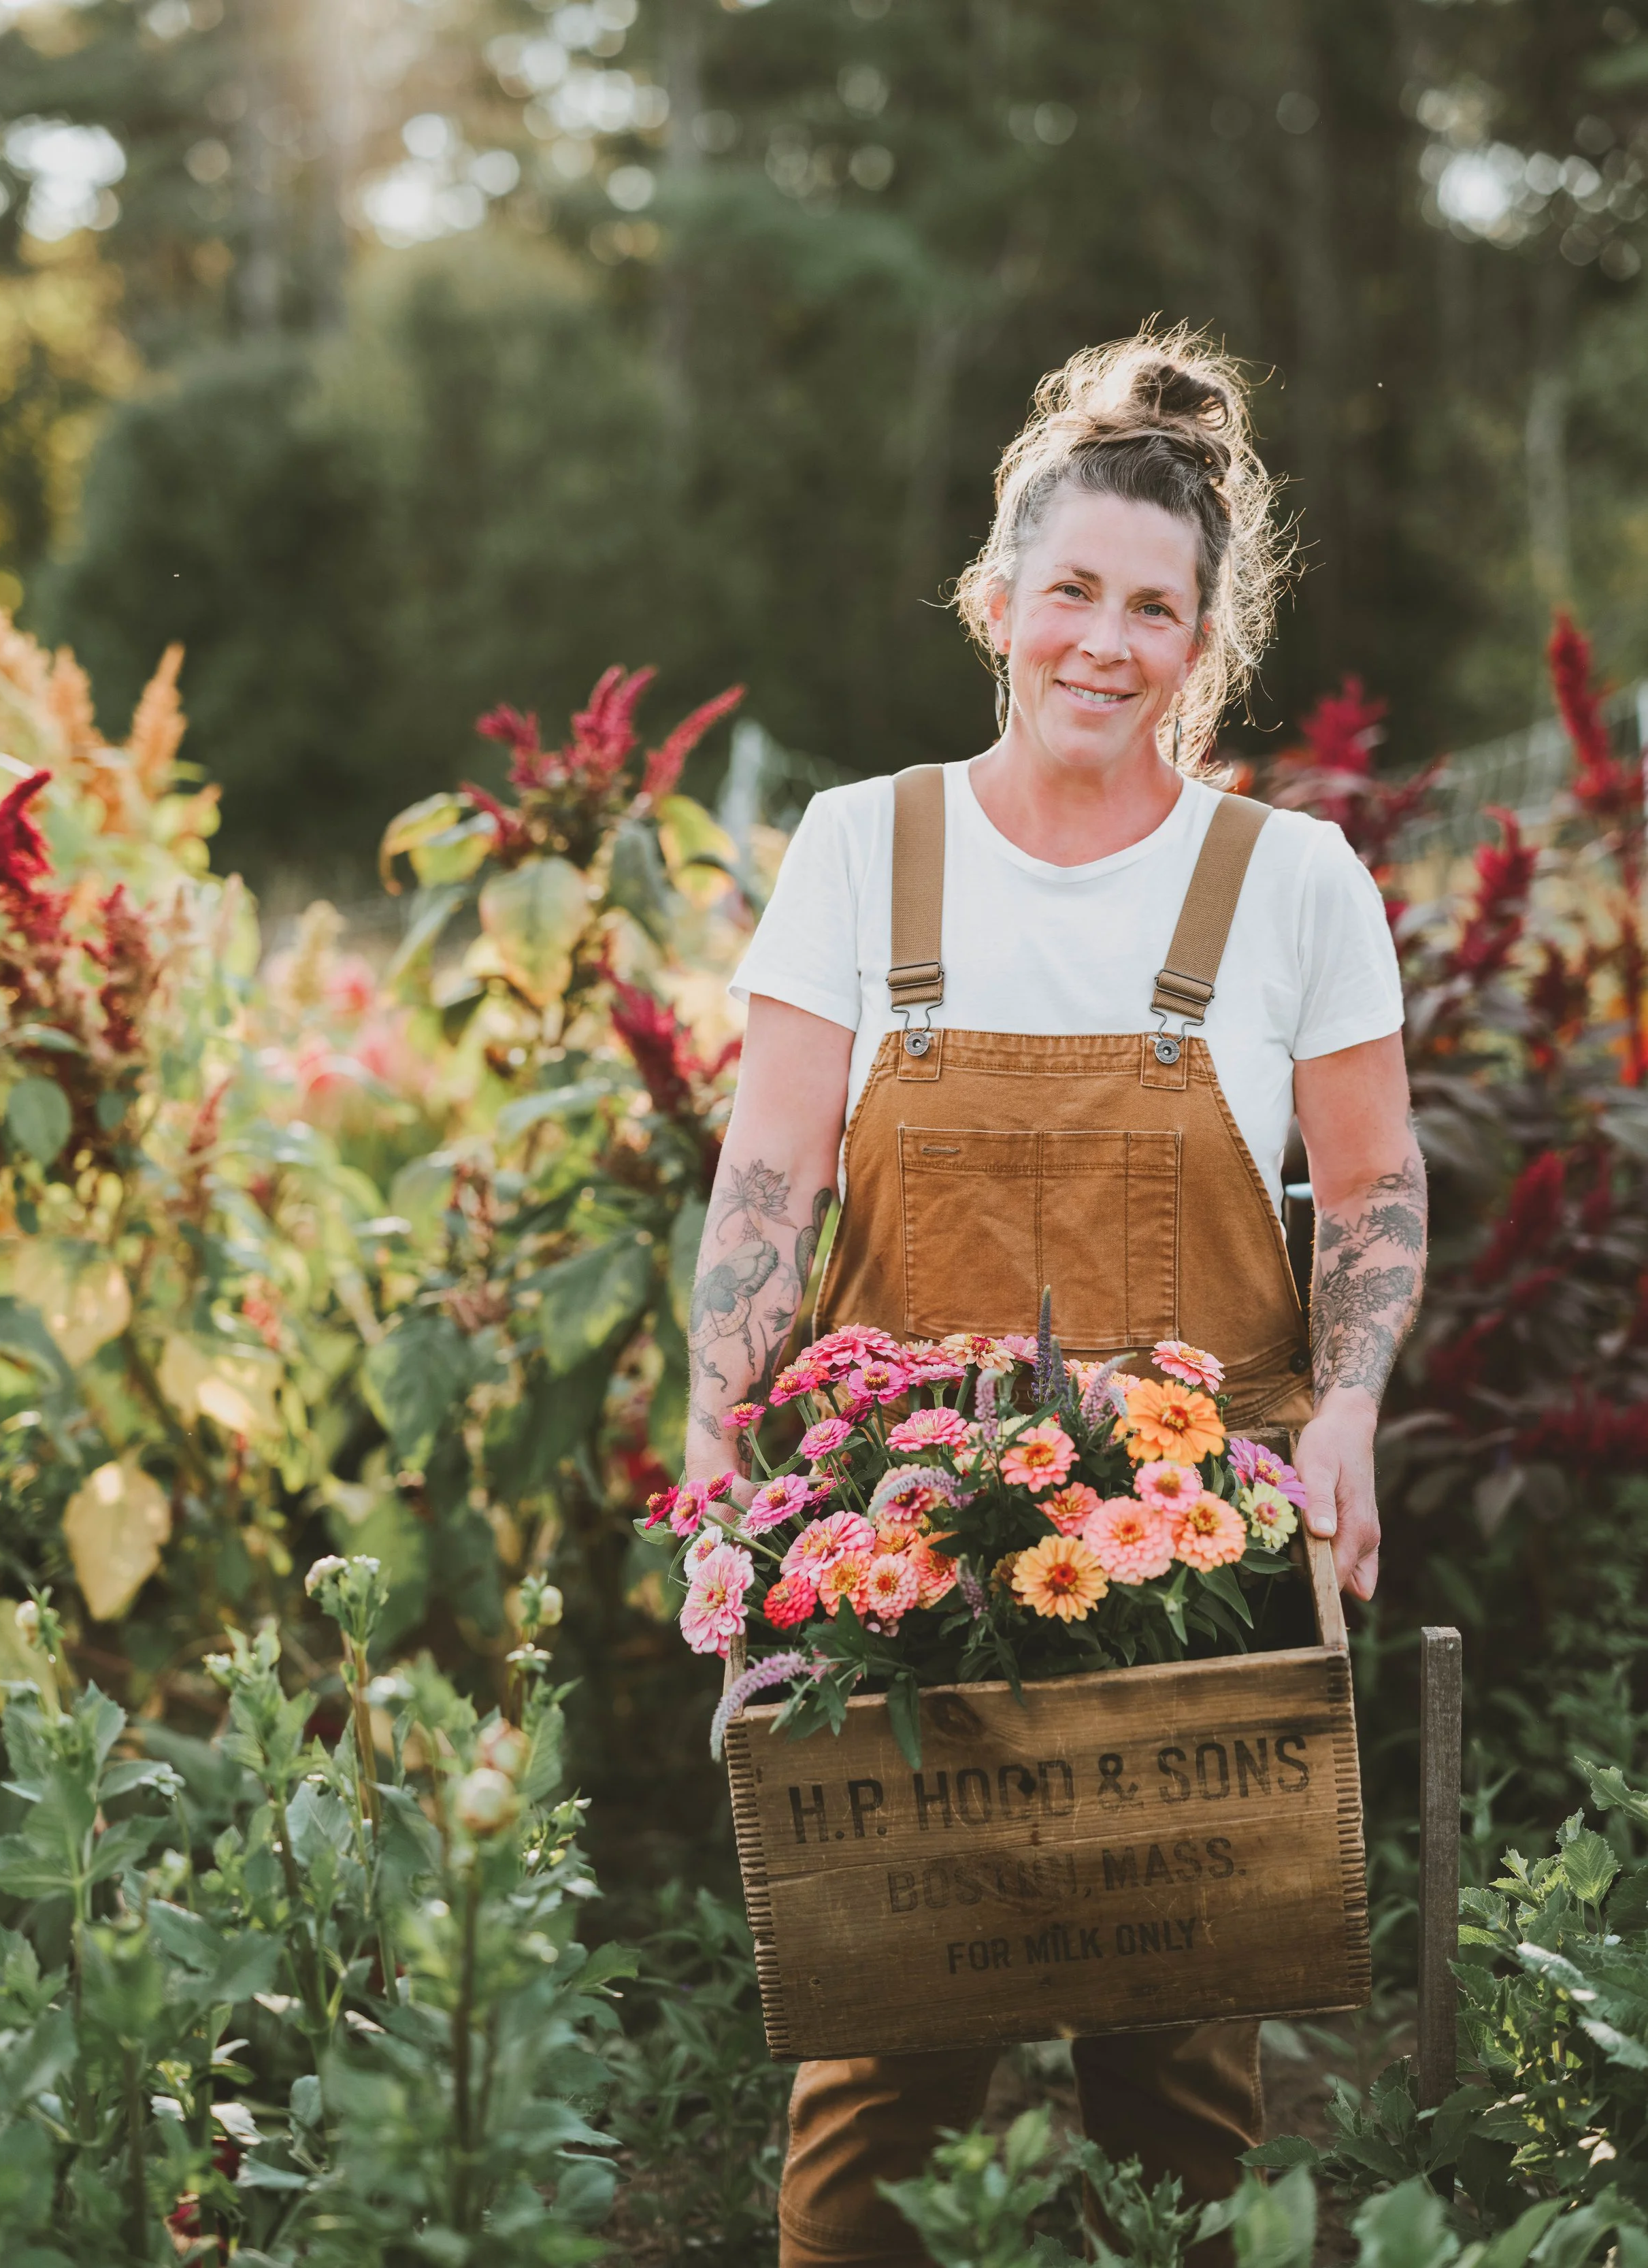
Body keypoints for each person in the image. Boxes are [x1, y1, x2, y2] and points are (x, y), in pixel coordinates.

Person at [683, 328, 1428, 2268]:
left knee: (1176, 2078)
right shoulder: (866, 845)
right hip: (892, 1552)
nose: (1104, 640)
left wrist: (1341, 1403)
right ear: (995, 599)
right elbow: (763, 1174)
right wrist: (716, 1445)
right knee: (877, 2074)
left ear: (1206, 642)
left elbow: (1365, 1182)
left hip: (1192, 1544)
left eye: (1154, 608)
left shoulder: (1289, 879)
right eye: (1070, 591)